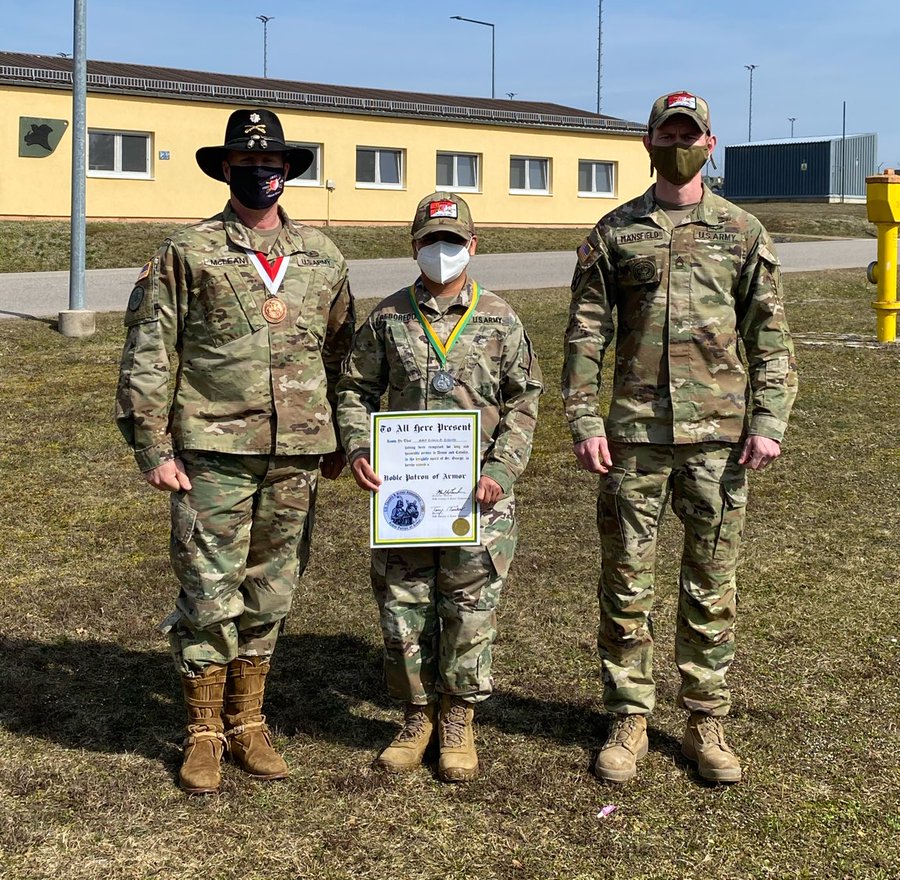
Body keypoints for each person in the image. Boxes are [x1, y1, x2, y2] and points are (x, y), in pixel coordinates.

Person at [116, 107, 354, 795]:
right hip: (213, 451)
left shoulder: (323, 256)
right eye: (248, 164)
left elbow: (345, 355)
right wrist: (154, 446)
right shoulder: (185, 253)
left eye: (272, 164)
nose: (262, 174)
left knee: (272, 588)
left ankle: (248, 723)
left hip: (298, 453)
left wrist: (343, 436)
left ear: (288, 171)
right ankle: (202, 732)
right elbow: (150, 354)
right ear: (227, 169)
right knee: (208, 590)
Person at [562, 91, 797, 785]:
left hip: (720, 442)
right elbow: (584, 337)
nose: (678, 143)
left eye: (689, 133)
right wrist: (582, 419)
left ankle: (703, 718)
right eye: (668, 131)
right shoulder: (615, 233)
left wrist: (768, 422)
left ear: (710, 142)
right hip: (632, 439)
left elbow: (772, 339)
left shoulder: (743, 232)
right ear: (649, 142)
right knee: (627, 580)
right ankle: (629, 716)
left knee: (711, 582)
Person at [336, 192, 542, 782]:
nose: (441, 251)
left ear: (473, 246)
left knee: (470, 609)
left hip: (479, 498)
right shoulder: (388, 317)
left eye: (452, 241)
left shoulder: (501, 317)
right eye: (431, 241)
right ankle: (416, 715)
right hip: (404, 499)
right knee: (404, 607)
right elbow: (354, 389)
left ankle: (458, 719)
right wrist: (357, 446)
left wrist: (501, 470)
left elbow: (525, 400)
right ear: (414, 247)